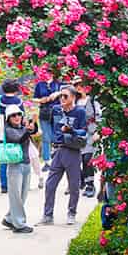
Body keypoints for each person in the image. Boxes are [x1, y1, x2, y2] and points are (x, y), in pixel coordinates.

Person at [41, 87, 88, 226]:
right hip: (58, 150)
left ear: (73, 97)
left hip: (72, 151)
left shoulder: (79, 111)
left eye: (65, 96)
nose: (62, 99)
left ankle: (72, 213)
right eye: (61, 96)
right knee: (50, 184)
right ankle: (47, 215)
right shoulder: (56, 109)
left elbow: (83, 132)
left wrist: (71, 130)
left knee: (74, 186)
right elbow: (50, 125)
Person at [0, 104, 38, 234]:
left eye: (19, 114)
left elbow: (32, 132)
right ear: (8, 118)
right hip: (15, 165)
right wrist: (27, 130)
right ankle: (19, 224)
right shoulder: (7, 130)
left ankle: (9, 219)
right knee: (16, 196)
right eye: (13, 115)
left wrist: (32, 126)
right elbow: (18, 138)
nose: (17, 117)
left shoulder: (22, 127)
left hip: (26, 164)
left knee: (22, 195)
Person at [76, 78, 102, 199]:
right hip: (78, 134)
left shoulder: (92, 100)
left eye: (81, 84)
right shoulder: (74, 101)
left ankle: (90, 185)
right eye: (76, 85)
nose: (79, 87)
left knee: (87, 159)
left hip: (91, 133)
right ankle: (84, 182)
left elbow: (99, 116)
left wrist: (98, 131)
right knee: (79, 160)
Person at [33, 75, 64, 169]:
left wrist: (57, 94)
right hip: (44, 111)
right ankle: (47, 161)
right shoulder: (40, 84)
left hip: (57, 111)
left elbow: (67, 91)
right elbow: (34, 98)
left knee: (58, 135)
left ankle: (59, 159)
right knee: (46, 137)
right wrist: (40, 100)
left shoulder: (58, 83)